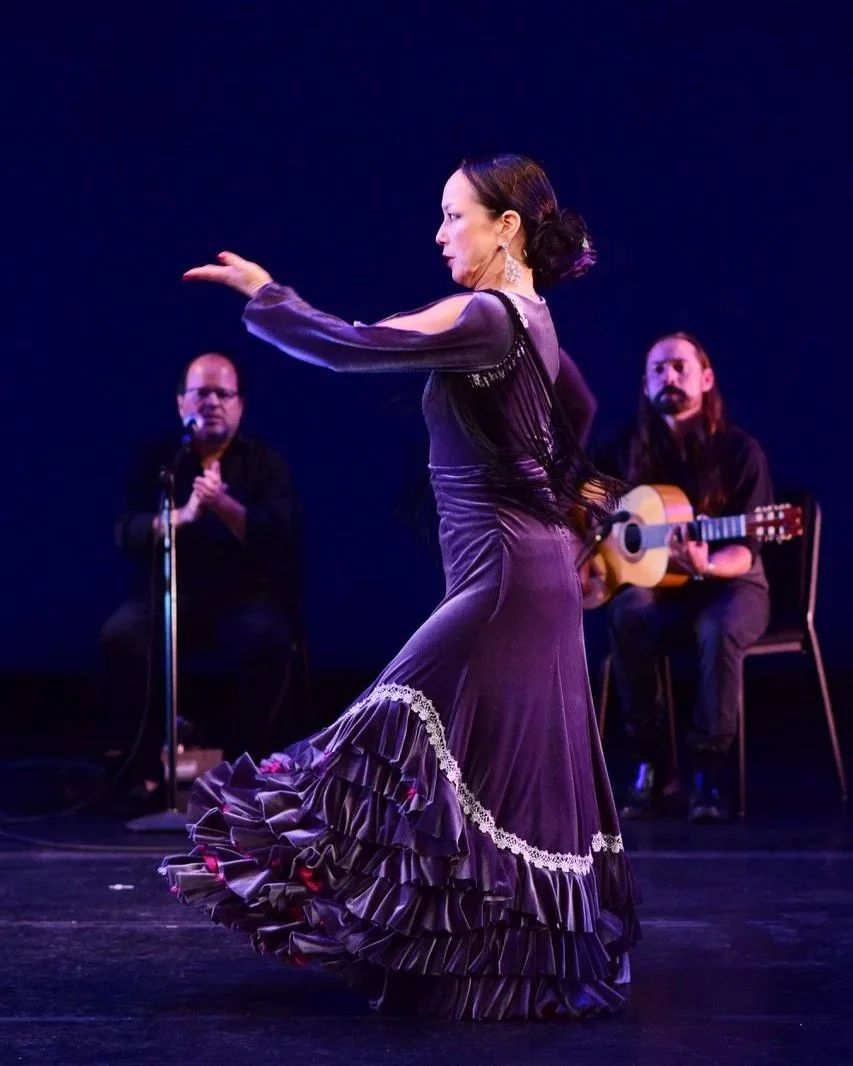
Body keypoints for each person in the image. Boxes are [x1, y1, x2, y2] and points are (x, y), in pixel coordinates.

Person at [160, 155, 640, 1021]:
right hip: (527, 576)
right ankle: (484, 970)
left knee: (379, 738)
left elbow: (349, 347)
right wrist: (553, 489)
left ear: (507, 228)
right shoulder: (533, 319)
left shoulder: (488, 316)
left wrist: (266, 294)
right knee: (489, 779)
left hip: (502, 582)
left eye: (454, 216)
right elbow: (578, 404)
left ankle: (455, 954)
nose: (438, 232)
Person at [100, 353, 302, 810]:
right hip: (172, 591)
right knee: (121, 636)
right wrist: (182, 516)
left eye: (222, 394)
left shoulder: (264, 464)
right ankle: (143, 773)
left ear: (239, 405)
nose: (211, 402)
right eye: (200, 393)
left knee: (268, 639)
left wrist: (223, 506)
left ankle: (242, 774)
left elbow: (281, 533)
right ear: (180, 403)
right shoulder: (162, 461)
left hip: (242, 594)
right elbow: (126, 527)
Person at [587, 332, 773, 823]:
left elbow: (746, 552)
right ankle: (651, 763)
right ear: (645, 384)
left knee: (718, 627)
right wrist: (597, 540)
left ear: (706, 379)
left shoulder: (740, 452)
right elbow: (587, 504)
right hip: (663, 589)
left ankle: (707, 772)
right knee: (628, 613)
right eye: (657, 370)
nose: (668, 377)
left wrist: (706, 564)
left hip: (731, 584)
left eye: (679, 367)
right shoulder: (626, 449)